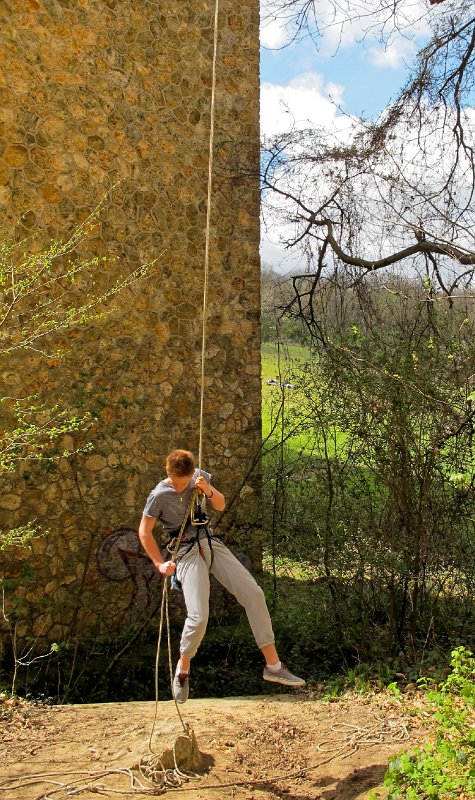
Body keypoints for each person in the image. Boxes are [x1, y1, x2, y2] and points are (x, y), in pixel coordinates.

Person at [138, 449, 306, 703]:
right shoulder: (158, 495)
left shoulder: (199, 477)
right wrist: (160, 564)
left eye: (187, 481)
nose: (183, 486)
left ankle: (273, 667)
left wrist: (208, 490)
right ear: (169, 473)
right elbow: (144, 532)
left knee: (254, 594)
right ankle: (183, 671)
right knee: (199, 616)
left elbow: (220, 504)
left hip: (210, 542)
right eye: (179, 483)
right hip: (184, 551)